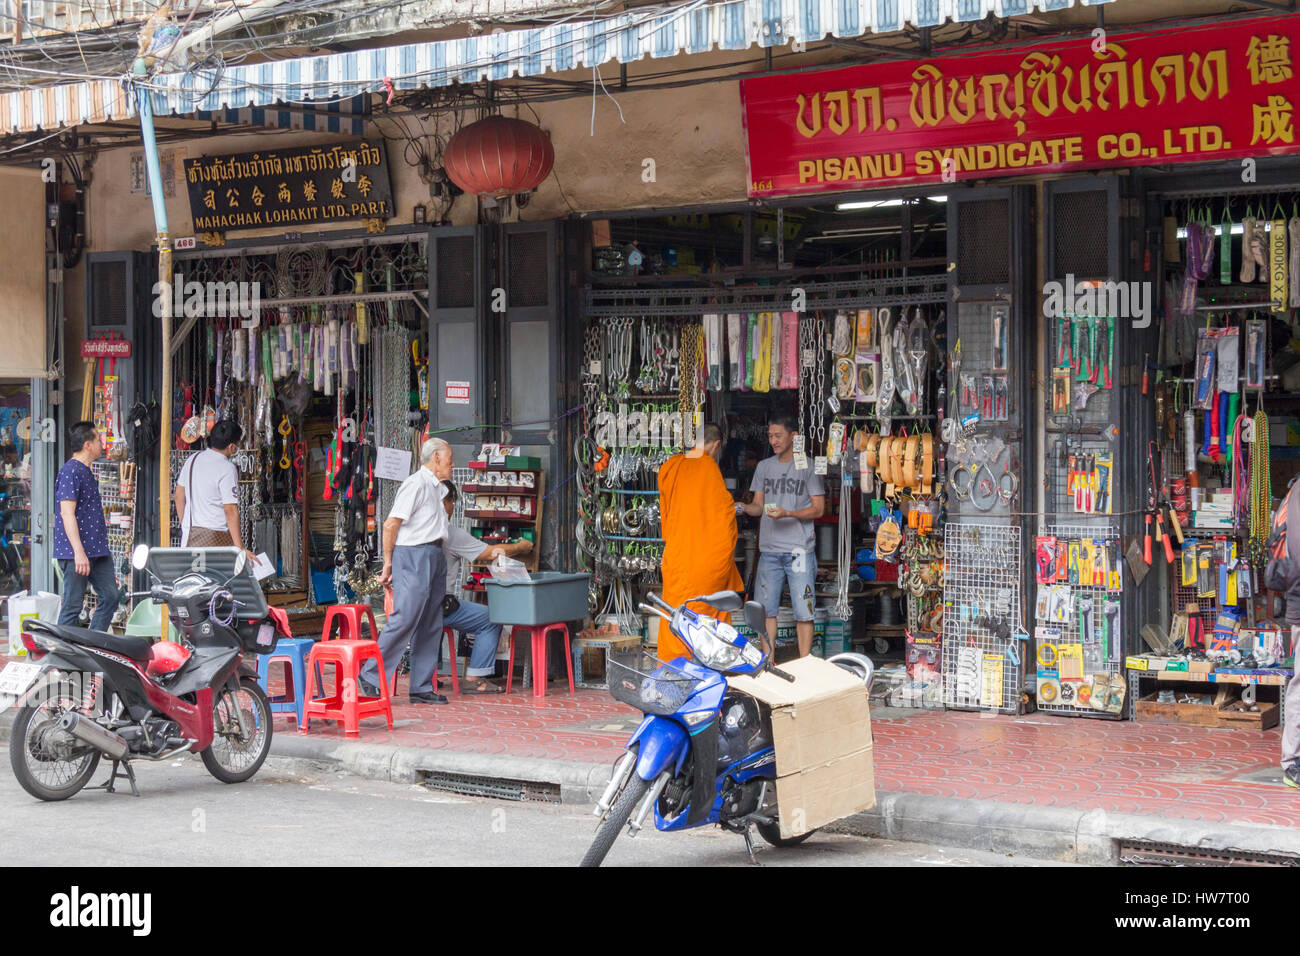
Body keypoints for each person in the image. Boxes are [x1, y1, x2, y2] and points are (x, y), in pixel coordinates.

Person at [363, 437, 454, 705]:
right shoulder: (415, 484)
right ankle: (370, 675)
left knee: (430, 622)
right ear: (436, 457)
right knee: (405, 617)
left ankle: (421, 686)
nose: (452, 464)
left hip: (434, 553)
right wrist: (389, 562)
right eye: (449, 458)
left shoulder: (437, 488)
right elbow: (391, 525)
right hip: (413, 554)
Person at [738, 416, 825, 658]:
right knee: (767, 611)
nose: (773, 440)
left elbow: (819, 509)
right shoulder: (764, 467)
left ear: (793, 437)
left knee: (804, 611)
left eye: (778, 435)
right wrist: (742, 507)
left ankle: (806, 663)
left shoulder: (808, 466)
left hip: (799, 550)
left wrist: (788, 513)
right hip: (769, 551)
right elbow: (758, 506)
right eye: (770, 436)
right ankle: (768, 661)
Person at [656, 423, 743, 663]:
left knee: (674, 610)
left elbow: (666, 509)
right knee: (704, 613)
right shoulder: (707, 466)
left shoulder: (671, 466)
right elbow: (724, 515)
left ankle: (673, 665)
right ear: (716, 446)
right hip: (704, 562)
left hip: (676, 555)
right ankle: (703, 666)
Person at [437, 481, 534, 694]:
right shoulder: (449, 533)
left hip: (412, 602)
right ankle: (474, 677)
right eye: (452, 503)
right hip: (439, 606)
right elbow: (491, 553)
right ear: (446, 502)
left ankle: (427, 675)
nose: (453, 508)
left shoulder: (409, 530)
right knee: (491, 618)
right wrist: (521, 546)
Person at [53, 421, 119, 630]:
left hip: (97, 549)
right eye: (98, 439)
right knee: (72, 605)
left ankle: (93, 646)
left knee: (110, 597)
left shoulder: (86, 470)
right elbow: (66, 513)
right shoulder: (69, 471)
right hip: (76, 551)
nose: (102, 444)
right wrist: (78, 552)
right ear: (87, 445)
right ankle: (63, 654)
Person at [174, 420, 257, 566]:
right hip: (215, 540)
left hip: (189, 538)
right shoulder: (227, 468)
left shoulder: (192, 460)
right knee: (218, 584)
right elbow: (230, 510)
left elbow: (179, 496)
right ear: (232, 447)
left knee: (195, 582)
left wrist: (185, 525)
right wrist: (240, 548)